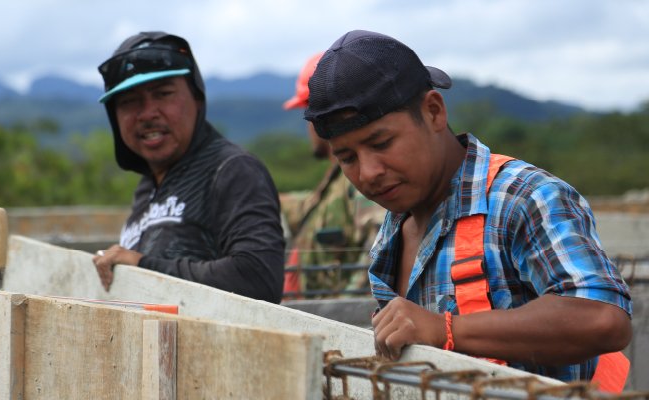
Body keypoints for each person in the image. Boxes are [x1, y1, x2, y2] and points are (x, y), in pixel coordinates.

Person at [303, 30, 632, 386]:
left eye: (381, 142)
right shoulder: (393, 230)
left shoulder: (522, 198)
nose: (368, 173)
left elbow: (602, 318)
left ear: (433, 112)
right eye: (347, 158)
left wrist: (446, 329)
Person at [92, 31, 285, 303]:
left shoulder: (233, 171)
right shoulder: (149, 185)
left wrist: (144, 264)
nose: (147, 113)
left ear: (196, 98)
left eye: (163, 94)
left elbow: (258, 278)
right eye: (129, 101)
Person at [280, 52, 385, 298]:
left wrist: (338, 314)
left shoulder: (362, 179)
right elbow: (309, 207)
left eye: (308, 113)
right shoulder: (338, 180)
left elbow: (380, 256)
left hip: (345, 326)